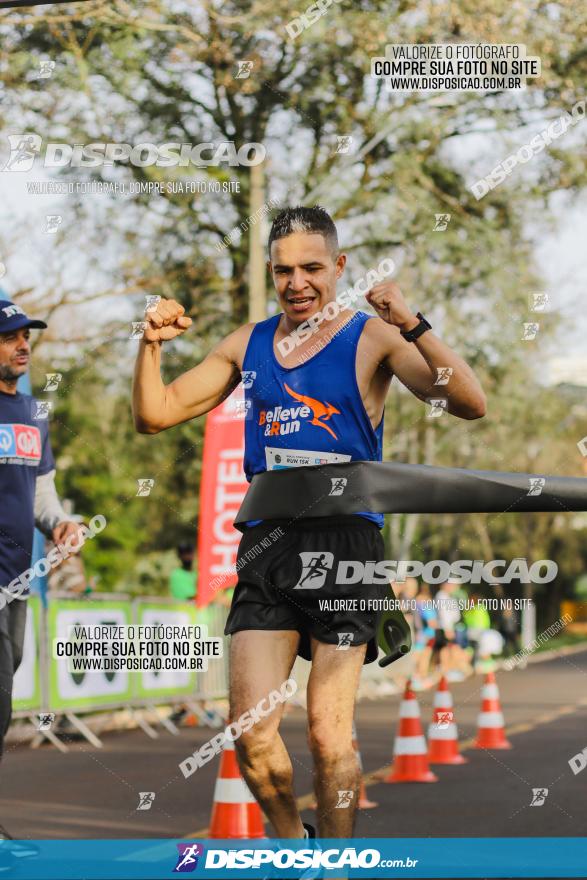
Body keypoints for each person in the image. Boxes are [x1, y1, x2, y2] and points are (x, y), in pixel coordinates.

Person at [132, 205, 486, 841]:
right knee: (251, 731)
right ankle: (295, 839)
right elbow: (154, 414)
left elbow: (467, 402)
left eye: (312, 268)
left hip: (345, 546)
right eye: (283, 270)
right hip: (268, 545)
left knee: (328, 732)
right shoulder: (248, 343)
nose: (297, 282)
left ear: (340, 267)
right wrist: (150, 344)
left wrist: (410, 322)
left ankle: (336, 860)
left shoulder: (371, 337)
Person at [0, 299, 81, 844]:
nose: (23, 345)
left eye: (26, 336)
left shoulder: (32, 414)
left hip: (17, 583)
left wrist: (59, 524)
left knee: (3, 707)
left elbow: (42, 495)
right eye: (10, 337)